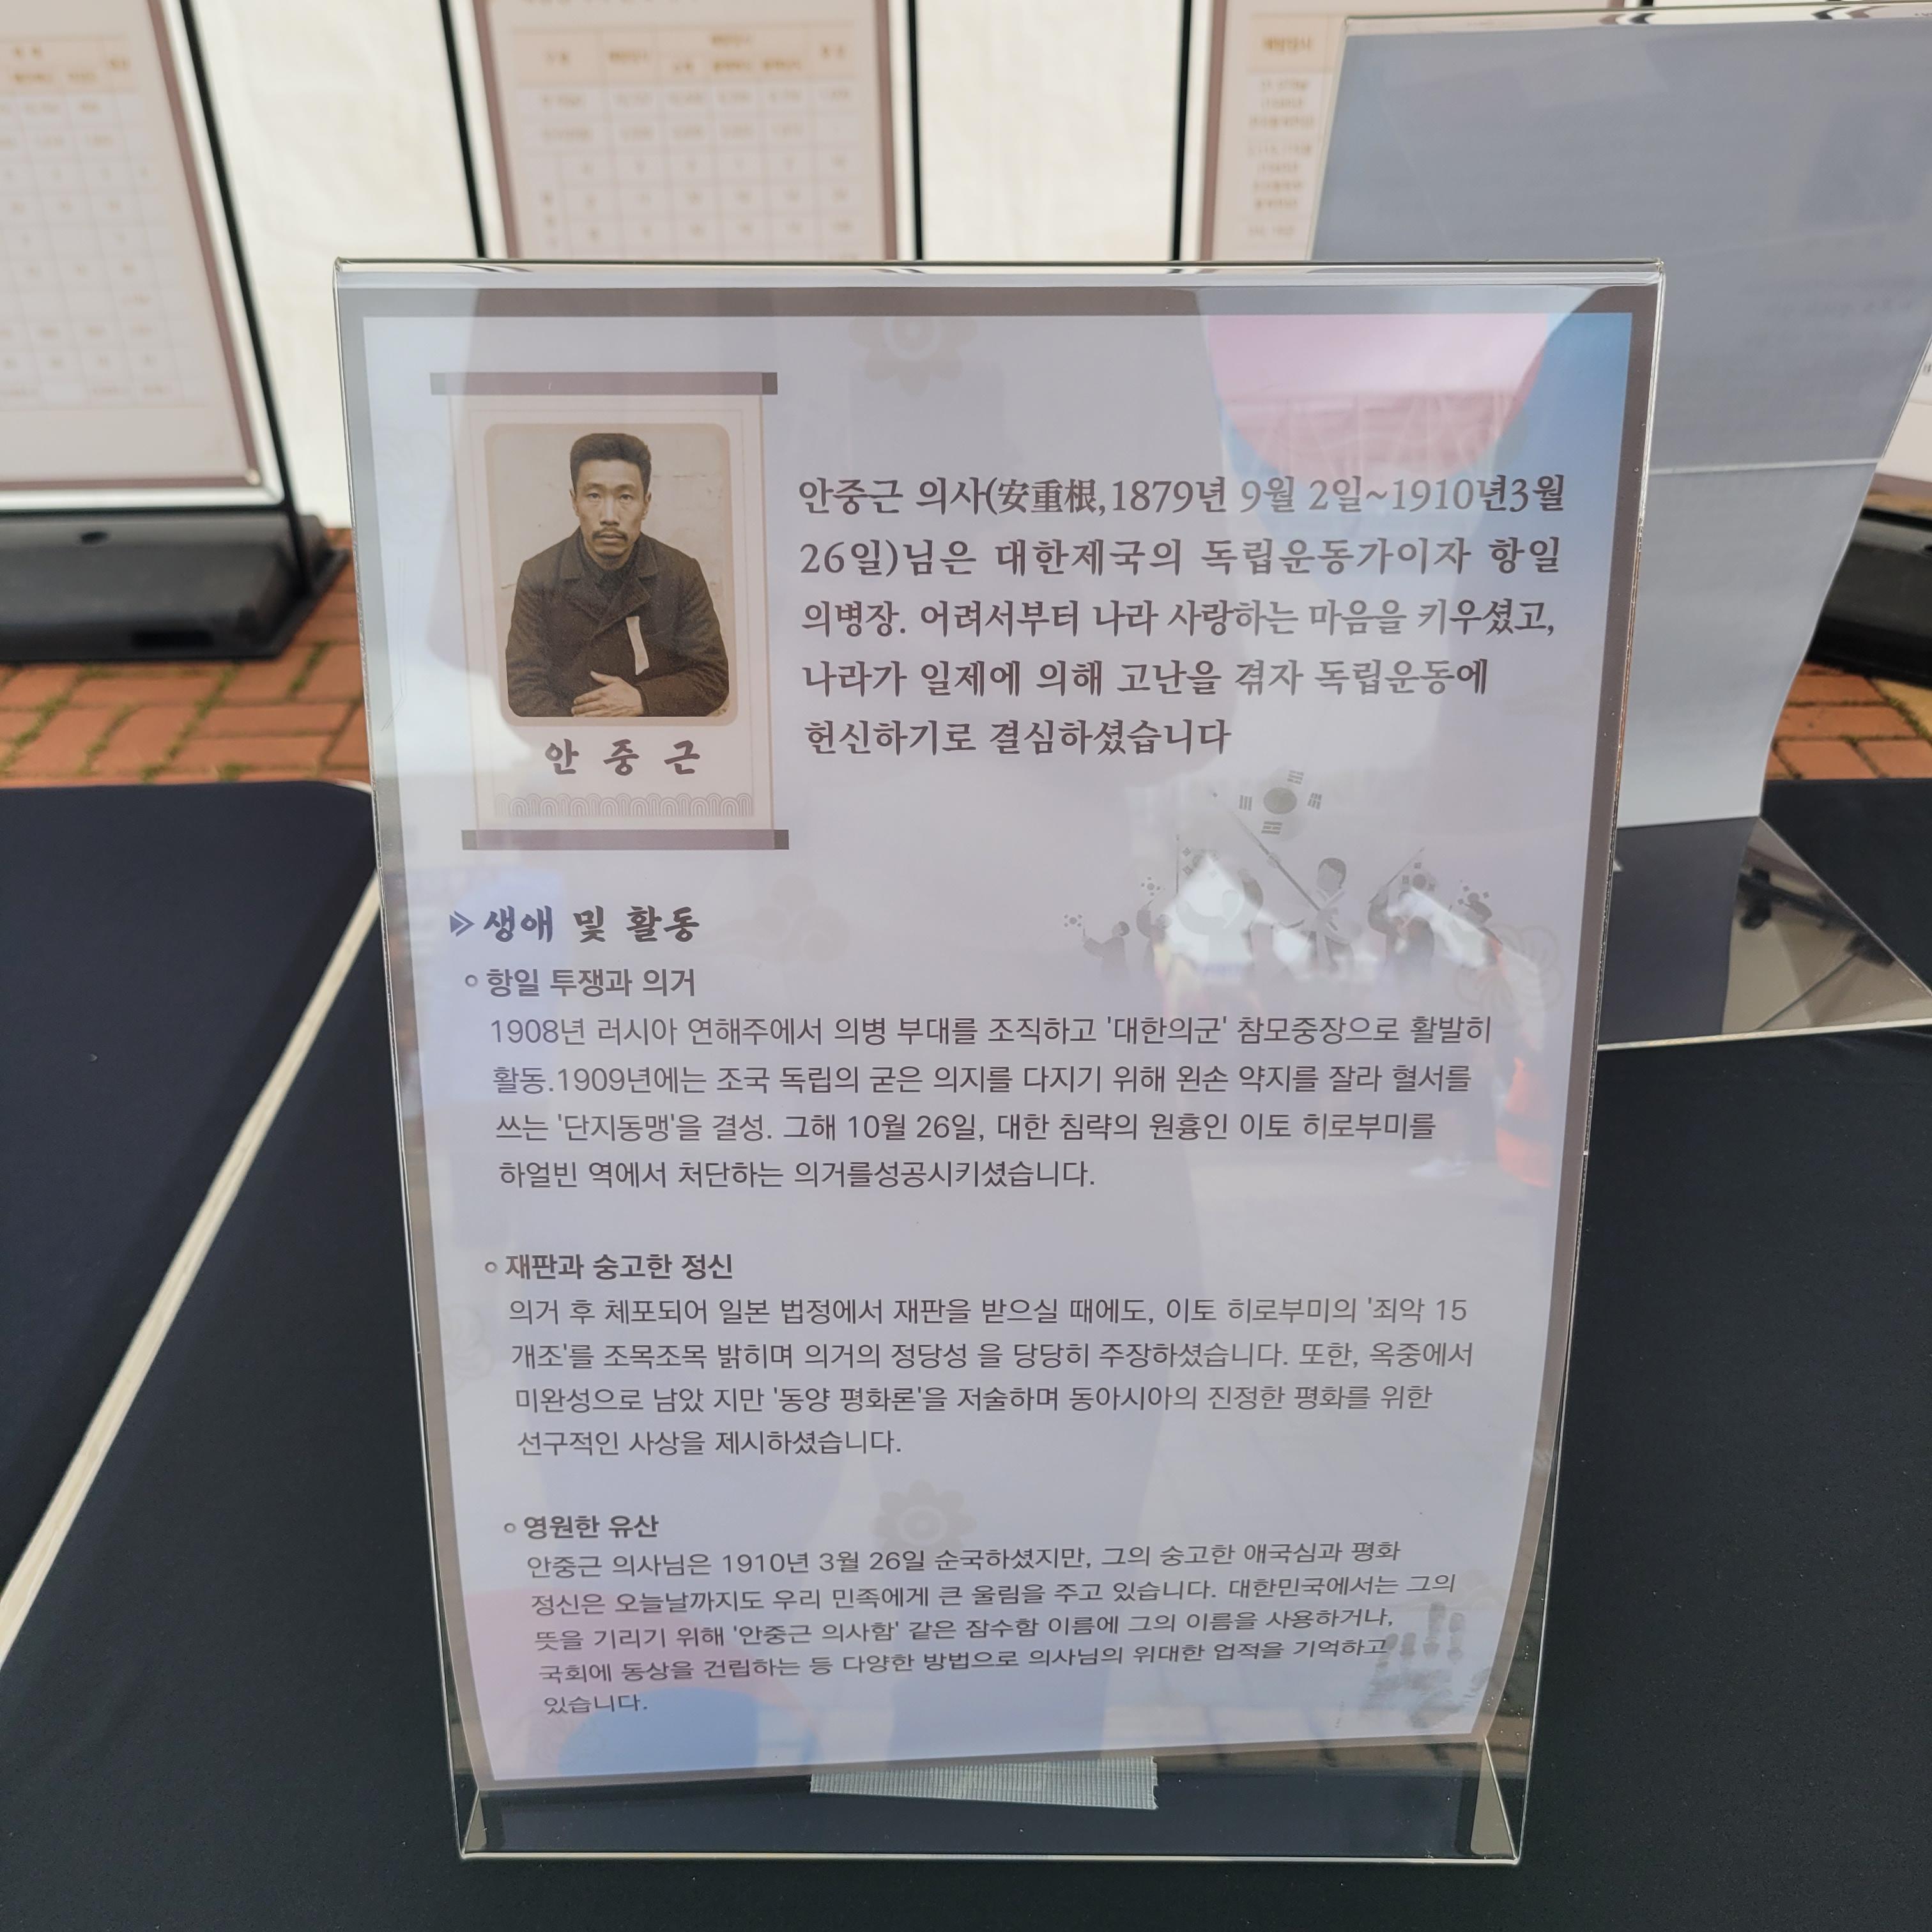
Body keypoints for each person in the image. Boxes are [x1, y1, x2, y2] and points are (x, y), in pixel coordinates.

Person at [505, 431, 730, 720]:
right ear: (575, 502)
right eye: (594, 496)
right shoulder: (539, 575)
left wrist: (644, 699)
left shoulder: (681, 573)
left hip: (654, 735)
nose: (609, 516)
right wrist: (579, 732)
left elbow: (713, 677)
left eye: (625, 497)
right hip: (572, 736)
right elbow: (523, 687)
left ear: (646, 504)